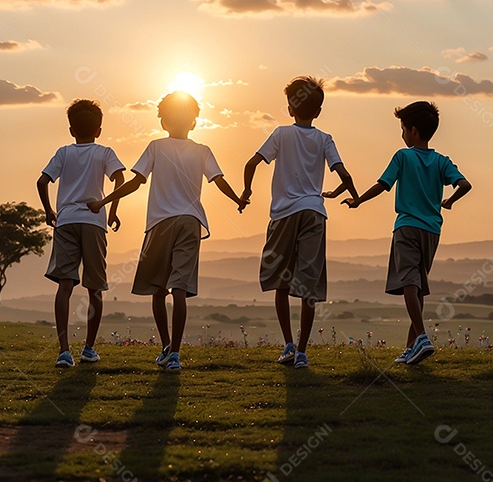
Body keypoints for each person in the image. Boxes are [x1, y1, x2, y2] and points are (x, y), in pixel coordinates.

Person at [88, 91, 243, 372]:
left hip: (161, 223)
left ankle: (165, 347)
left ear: (162, 121)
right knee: (180, 289)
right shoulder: (203, 150)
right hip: (191, 222)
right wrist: (238, 201)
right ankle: (175, 354)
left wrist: (104, 202)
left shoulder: (156, 147)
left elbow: (136, 182)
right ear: (194, 122)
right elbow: (219, 180)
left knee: (158, 290)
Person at [339, 101, 471, 365]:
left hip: (407, 226)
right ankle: (412, 348)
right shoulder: (441, 161)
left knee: (409, 282)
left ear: (412, 130)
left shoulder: (403, 156)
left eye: (402, 128)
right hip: (432, 230)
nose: (401, 134)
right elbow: (465, 184)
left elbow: (383, 184)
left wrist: (358, 202)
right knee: (418, 287)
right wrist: (451, 200)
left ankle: (421, 337)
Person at [241, 76, 358, 369]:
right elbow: (345, 175)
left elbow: (251, 163)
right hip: (314, 212)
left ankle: (288, 345)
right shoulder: (325, 139)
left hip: (283, 214)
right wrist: (349, 196)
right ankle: (303, 352)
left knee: (280, 280)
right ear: (318, 111)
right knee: (308, 284)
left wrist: (247, 191)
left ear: (290, 108)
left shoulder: (280, 134)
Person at [37, 99, 125, 368]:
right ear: (99, 129)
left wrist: (49, 211)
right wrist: (110, 209)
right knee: (95, 287)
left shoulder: (63, 153)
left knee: (65, 285)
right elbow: (120, 179)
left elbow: (42, 181)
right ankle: (89, 348)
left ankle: (64, 351)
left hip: (66, 222)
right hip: (94, 222)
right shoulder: (105, 152)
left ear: (71, 130)